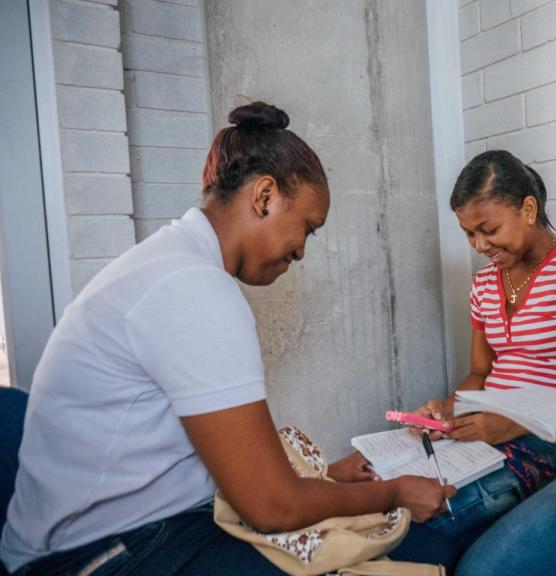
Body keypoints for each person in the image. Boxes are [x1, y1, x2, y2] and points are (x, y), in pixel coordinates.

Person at [1, 102, 456, 575]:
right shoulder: (195, 288)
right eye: (307, 228)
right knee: (410, 559)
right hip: (101, 556)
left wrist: (322, 475)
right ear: (264, 196)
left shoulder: (172, 262)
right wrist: (394, 491)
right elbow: (271, 507)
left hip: (118, 532)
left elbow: (214, 451)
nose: (302, 251)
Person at [408, 150, 556, 558]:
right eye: (468, 234)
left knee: (447, 505)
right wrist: (447, 410)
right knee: (398, 482)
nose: (479, 245)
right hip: (492, 424)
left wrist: (516, 421)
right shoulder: (483, 286)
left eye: (488, 229)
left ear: (528, 209)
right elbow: (479, 373)